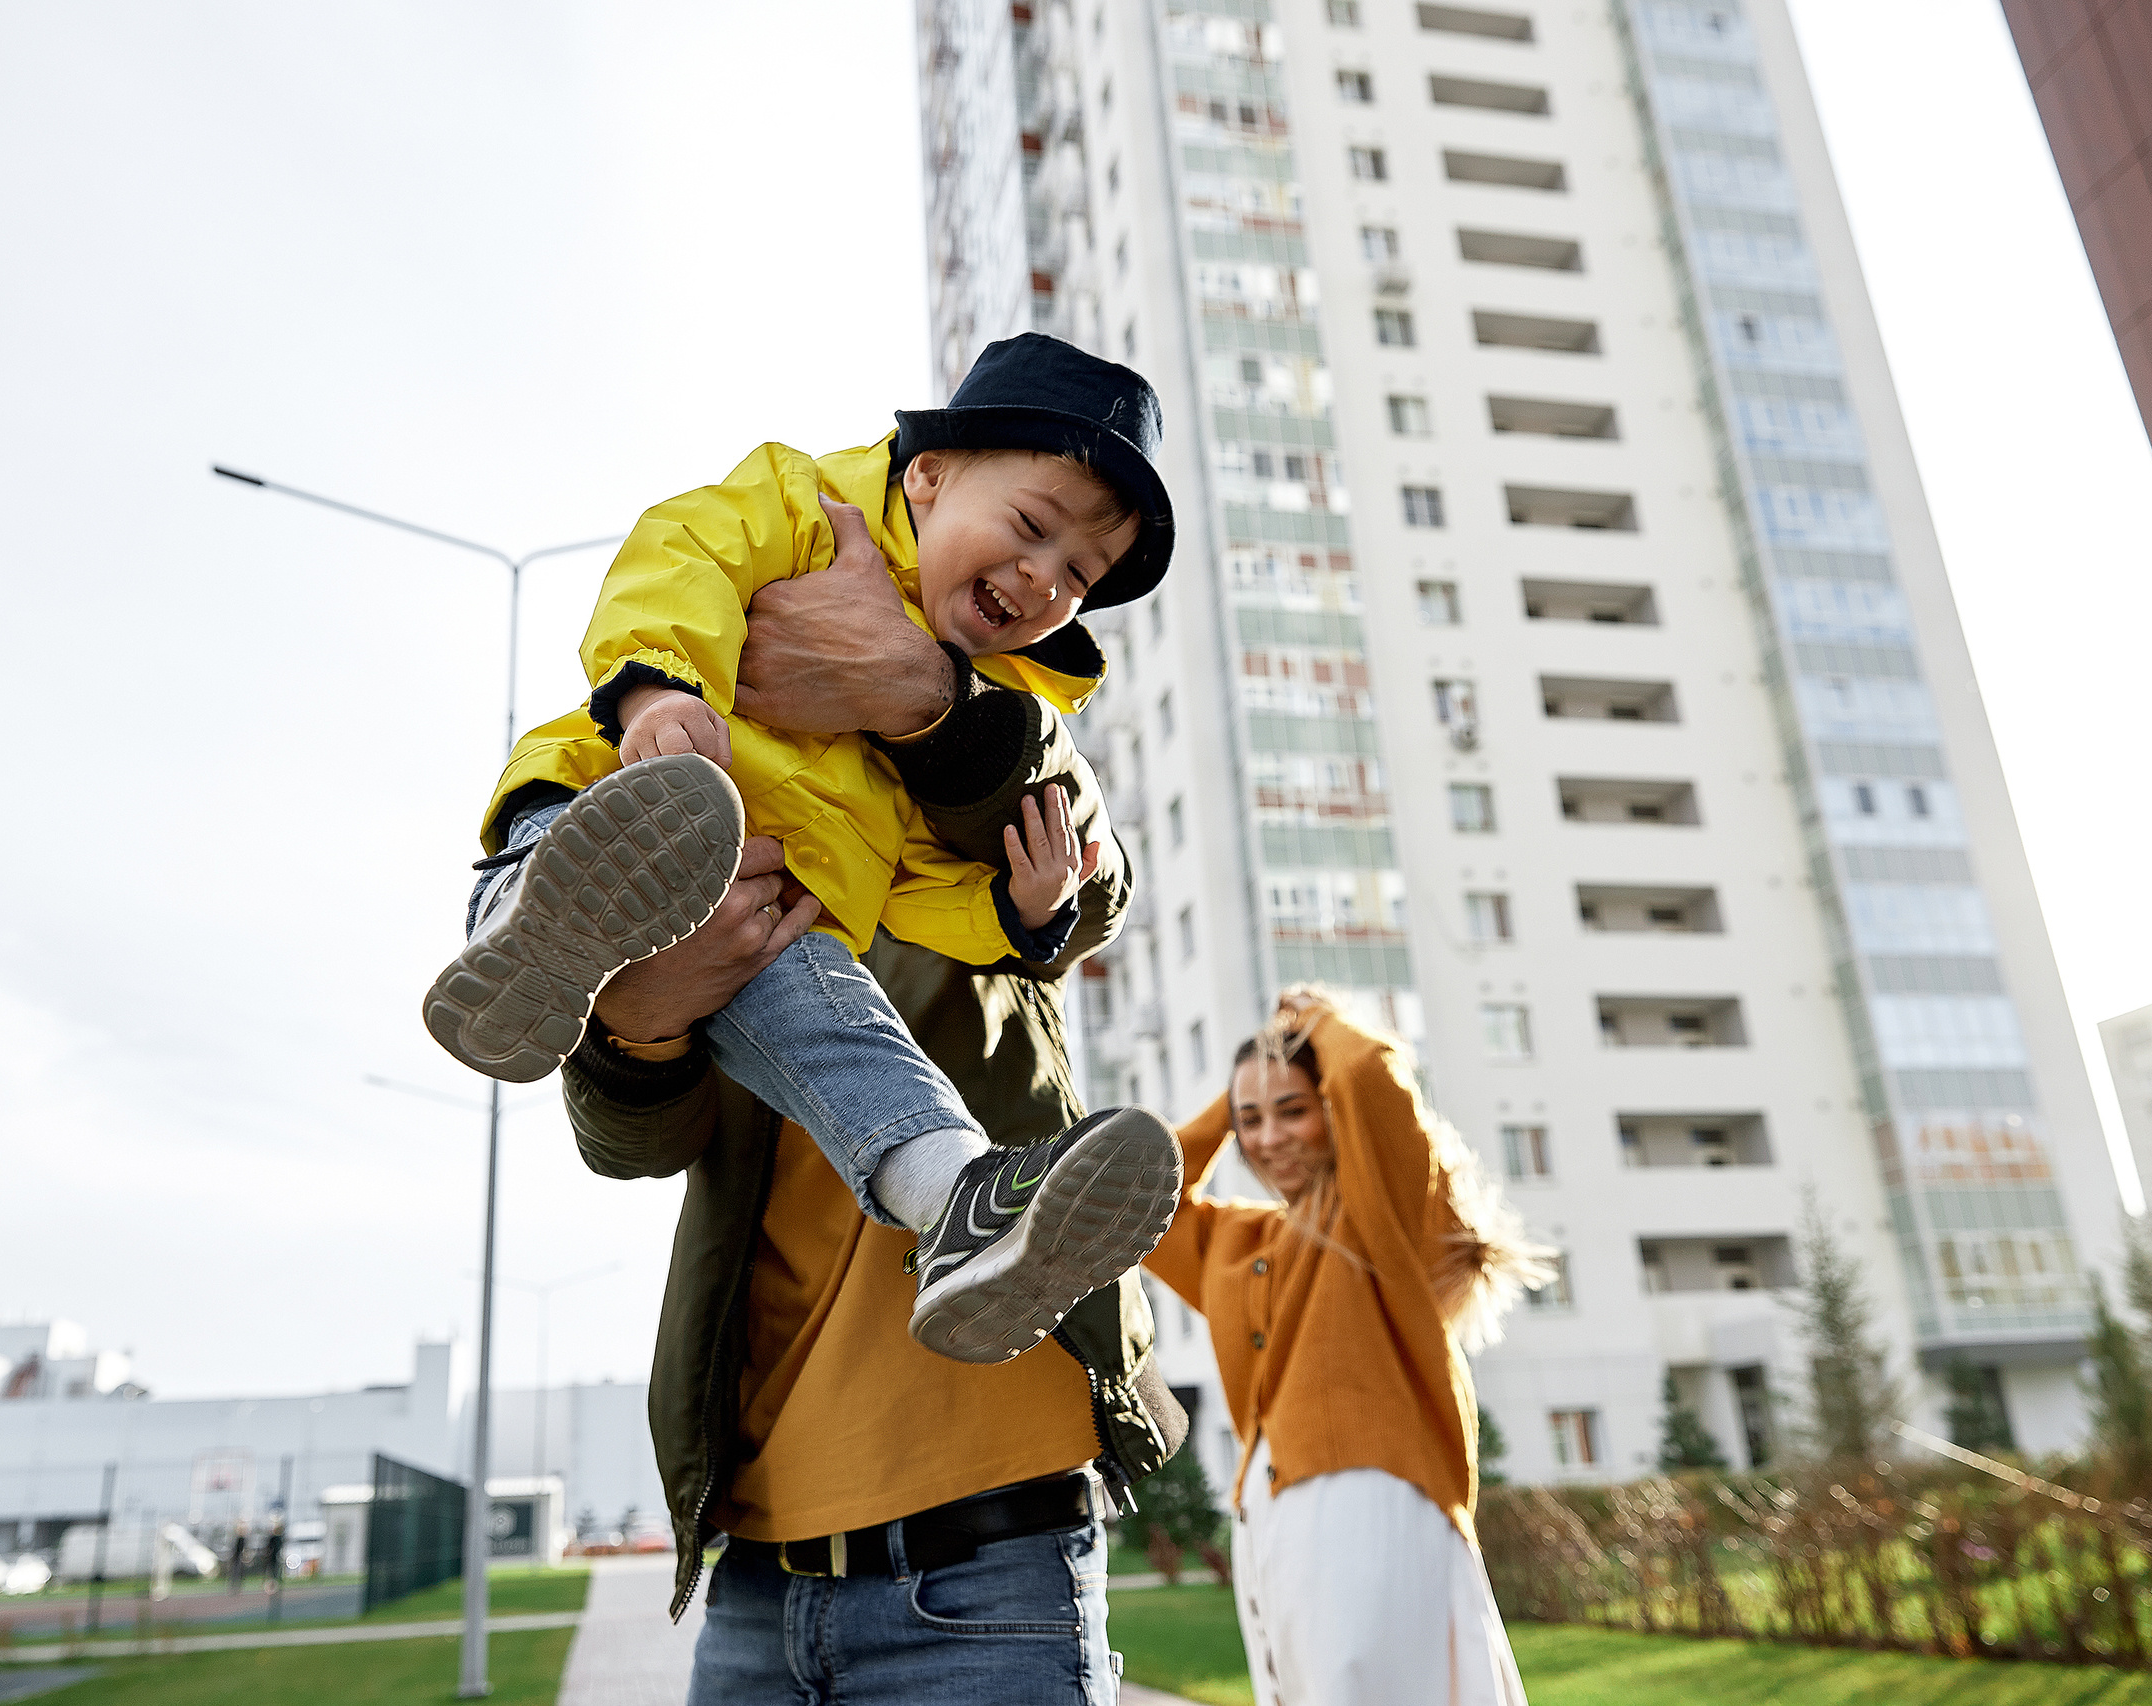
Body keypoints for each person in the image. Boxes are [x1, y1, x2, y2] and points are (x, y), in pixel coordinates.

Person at [426, 333, 1183, 1365]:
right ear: (926, 473)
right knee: (582, 824)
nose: (1042, 578)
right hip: (649, 791)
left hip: (784, 929)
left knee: (853, 1046)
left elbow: (925, 876)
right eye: (1028, 526)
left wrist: (1008, 910)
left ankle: (962, 1201)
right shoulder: (806, 507)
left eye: (1078, 573)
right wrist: (658, 684)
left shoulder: (1008, 715)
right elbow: (684, 547)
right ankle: (528, 930)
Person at [559, 542, 1180, 1703]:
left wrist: (922, 688)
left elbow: (1084, 864)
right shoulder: (708, 856)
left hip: (989, 1562)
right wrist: (637, 1017)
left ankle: (967, 1204)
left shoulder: (963, 825)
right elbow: (629, 1145)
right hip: (758, 1572)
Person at [1144, 994, 1551, 1706]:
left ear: (1333, 1110)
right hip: (1268, 1514)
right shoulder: (1240, 1241)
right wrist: (1247, 1088)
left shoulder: (1383, 1215)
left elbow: (1370, 1073)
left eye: (1294, 1110)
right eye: (1253, 1123)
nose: (1270, 1137)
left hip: (1369, 1500)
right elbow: (1144, 1196)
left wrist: (1312, 1027)